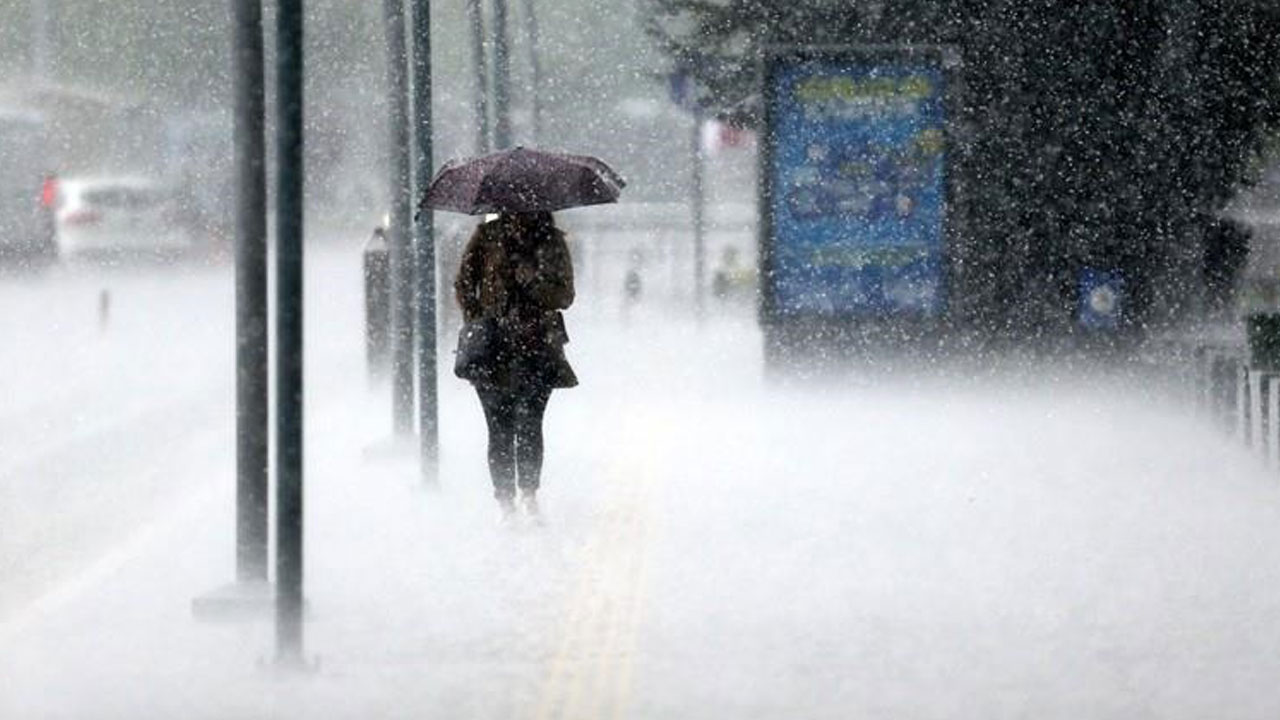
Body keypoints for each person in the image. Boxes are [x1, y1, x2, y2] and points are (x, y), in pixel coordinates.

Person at [454, 211, 577, 519]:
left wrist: (533, 281)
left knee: (531, 423)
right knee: (499, 426)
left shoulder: (551, 241)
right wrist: (479, 319)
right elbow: (464, 283)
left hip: (537, 346)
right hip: (493, 348)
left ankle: (528, 493)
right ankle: (505, 500)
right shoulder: (487, 237)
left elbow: (565, 295)